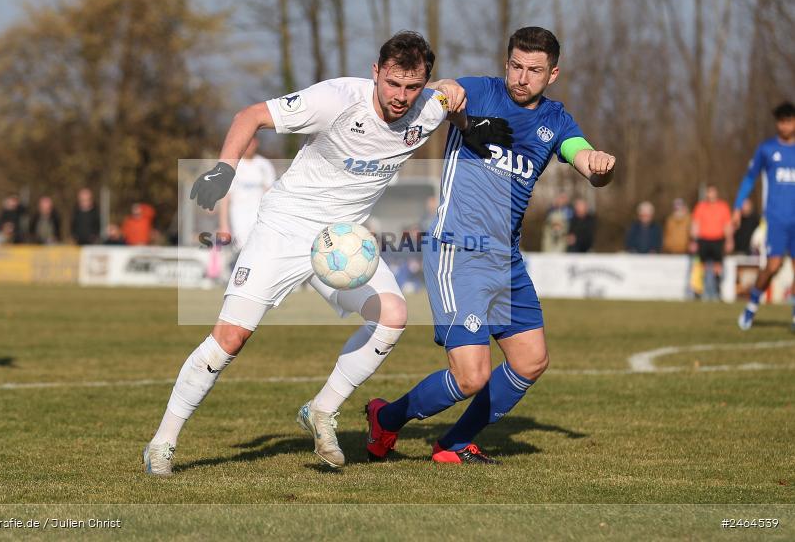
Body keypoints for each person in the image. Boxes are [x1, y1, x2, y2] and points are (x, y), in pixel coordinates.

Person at [142, 30, 509, 474]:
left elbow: (451, 102)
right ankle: (163, 442)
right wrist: (224, 170)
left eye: (413, 87)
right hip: (285, 226)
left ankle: (321, 409)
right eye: (393, 83)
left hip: (343, 240)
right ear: (375, 72)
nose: (401, 96)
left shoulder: (428, 107)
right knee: (231, 339)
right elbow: (249, 115)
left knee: (392, 315)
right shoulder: (334, 99)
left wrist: (469, 126)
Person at [365, 27, 616, 464]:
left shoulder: (556, 121)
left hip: (506, 258)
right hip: (458, 250)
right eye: (516, 66)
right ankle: (387, 419)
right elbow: (446, 91)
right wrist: (448, 91)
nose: (522, 78)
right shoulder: (480, 91)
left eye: (534, 70)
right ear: (506, 64)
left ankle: (454, 442)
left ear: (552, 74)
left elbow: (583, 157)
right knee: (471, 376)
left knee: (530, 361)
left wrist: (598, 165)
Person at [734, 101, 795, 330]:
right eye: (781, 121)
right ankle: (750, 308)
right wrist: (737, 206)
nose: (785, 125)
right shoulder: (767, 149)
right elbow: (750, 178)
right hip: (777, 220)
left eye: (788, 120)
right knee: (772, 266)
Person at [217, 137, 276, 252]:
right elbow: (225, 197)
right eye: (247, 142)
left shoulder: (264, 165)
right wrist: (223, 225)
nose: (249, 145)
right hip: (238, 213)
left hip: (259, 214)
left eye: (252, 142)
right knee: (241, 249)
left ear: (256, 143)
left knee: (259, 248)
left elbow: (270, 194)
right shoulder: (232, 165)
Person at [690, 185, 732, 301]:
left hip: (718, 239)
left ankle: (717, 290)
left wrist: (729, 240)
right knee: (700, 265)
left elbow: (727, 225)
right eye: (709, 192)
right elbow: (695, 224)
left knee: (717, 266)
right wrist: (693, 240)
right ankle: (698, 291)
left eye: (712, 192)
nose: (710, 195)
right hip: (703, 239)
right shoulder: (701, 207)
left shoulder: (723, 207)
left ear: (716, 193)